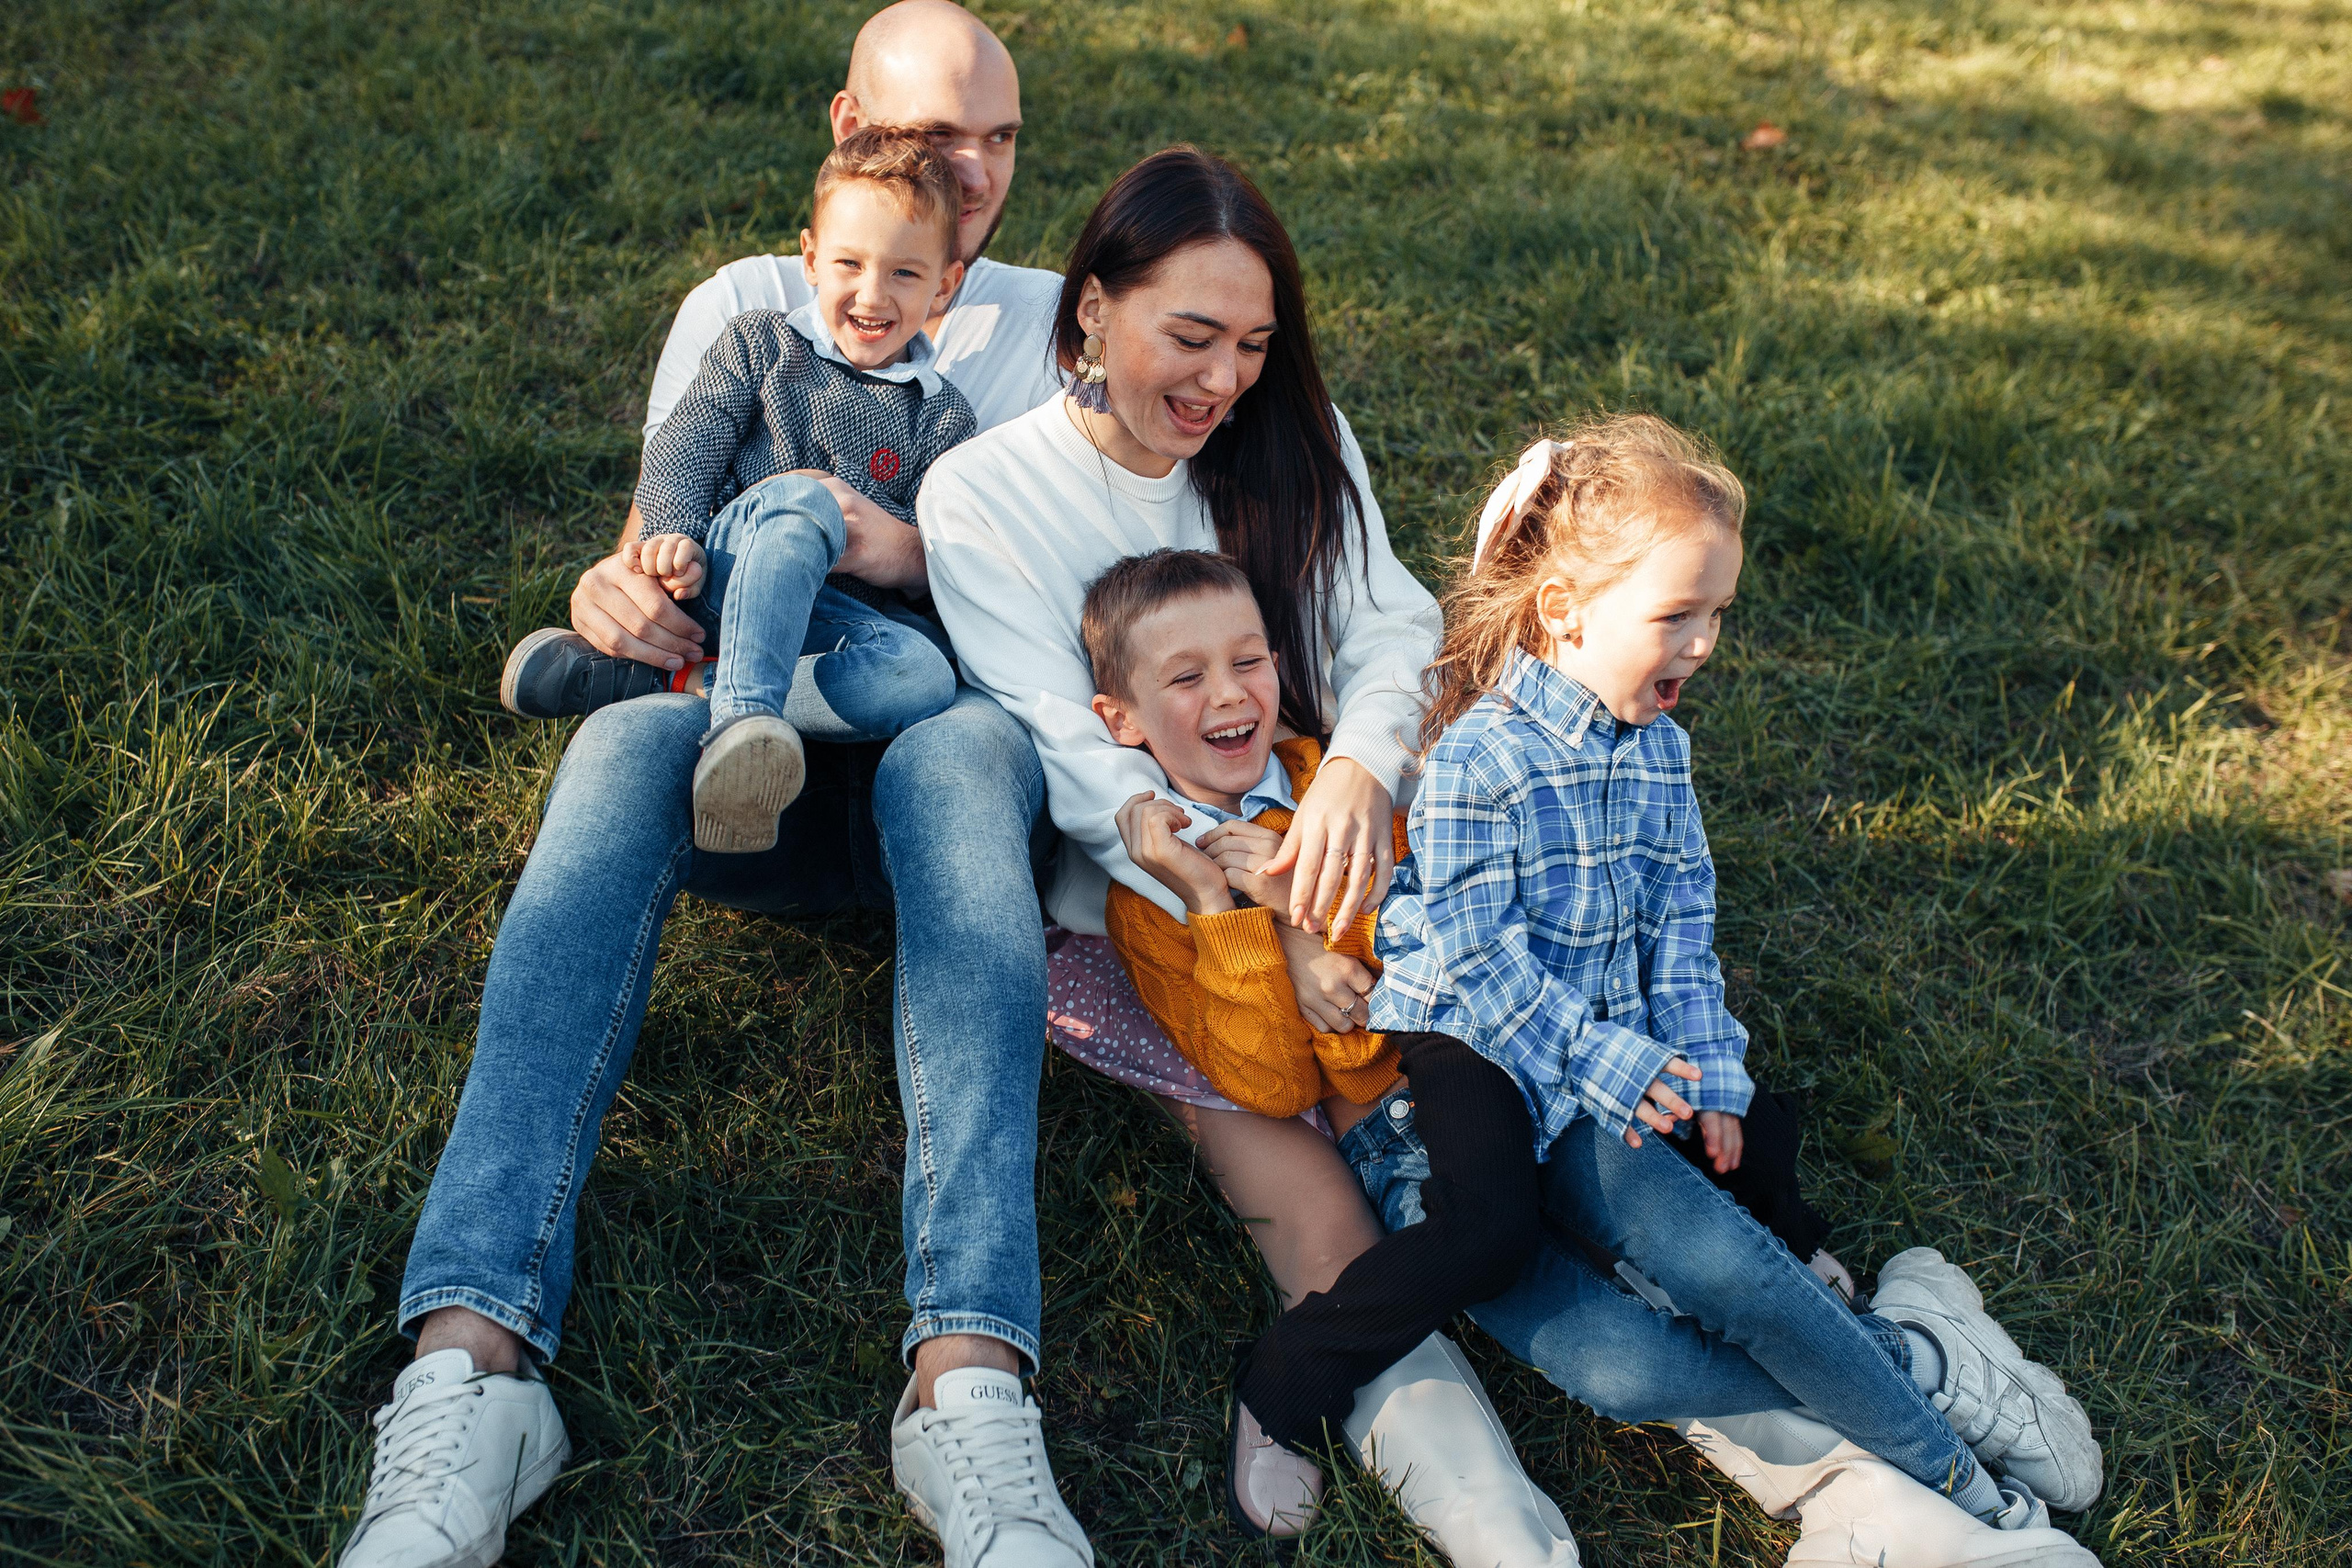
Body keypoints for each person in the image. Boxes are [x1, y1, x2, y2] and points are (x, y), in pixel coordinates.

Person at [333, 8, 1096, 1568]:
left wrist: (903, 551)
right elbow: (670, 533)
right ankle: (471, 1367)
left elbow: (1082, 611)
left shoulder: (1046, 329)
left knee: (960, 754)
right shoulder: (751, 304)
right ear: (845, 128)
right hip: (743, 777)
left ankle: (969, 1387)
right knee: (622, 746)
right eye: (932, 134)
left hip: (939, 757)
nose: (970, 169)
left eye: (999, 138)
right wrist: (626, 593)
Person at [920, 146, 1582, 1564]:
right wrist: (1249, 892)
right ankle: (1503, 1533)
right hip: (1169, 920)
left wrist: (1354, 768)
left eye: (1255, 344)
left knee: (1539, 1173)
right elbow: (1076, 759)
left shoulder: (1292, 435)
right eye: (1192, 336)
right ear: (1092, 309)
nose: (1224, 380)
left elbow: (1388, 625)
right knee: (1324, 1215)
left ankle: (1847, 1444)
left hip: (1354, 863)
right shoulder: (983, 495)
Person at [1347, 418, 2109, 1564]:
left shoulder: (1660, 752)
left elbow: (1680, 929)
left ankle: (1973, 1497)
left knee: (1729, 1258)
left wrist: (1711, 1071)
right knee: (1623, 1362)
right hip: (1509, 1078)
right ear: (1564, 610)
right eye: (1676, 616)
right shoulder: (1476, 760)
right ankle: (1910, 1369)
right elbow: (1483, 963)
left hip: (1616, 1091)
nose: (1702, 644)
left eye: (1717, 614)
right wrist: (1620, 1062)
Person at [499, 129, 974, 852]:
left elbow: (944, 550)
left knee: (924, 675)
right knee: (808, 499)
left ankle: (679, 685)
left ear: (944, 284)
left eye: (905, 273)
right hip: (725, 576)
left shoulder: (942, 417)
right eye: (849, 263)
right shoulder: (760, 345)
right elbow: (686, 443)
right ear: (810, 258)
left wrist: (903, 555)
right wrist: (671, 533)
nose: (873, 294)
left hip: (826, 626)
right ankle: (744, 728)